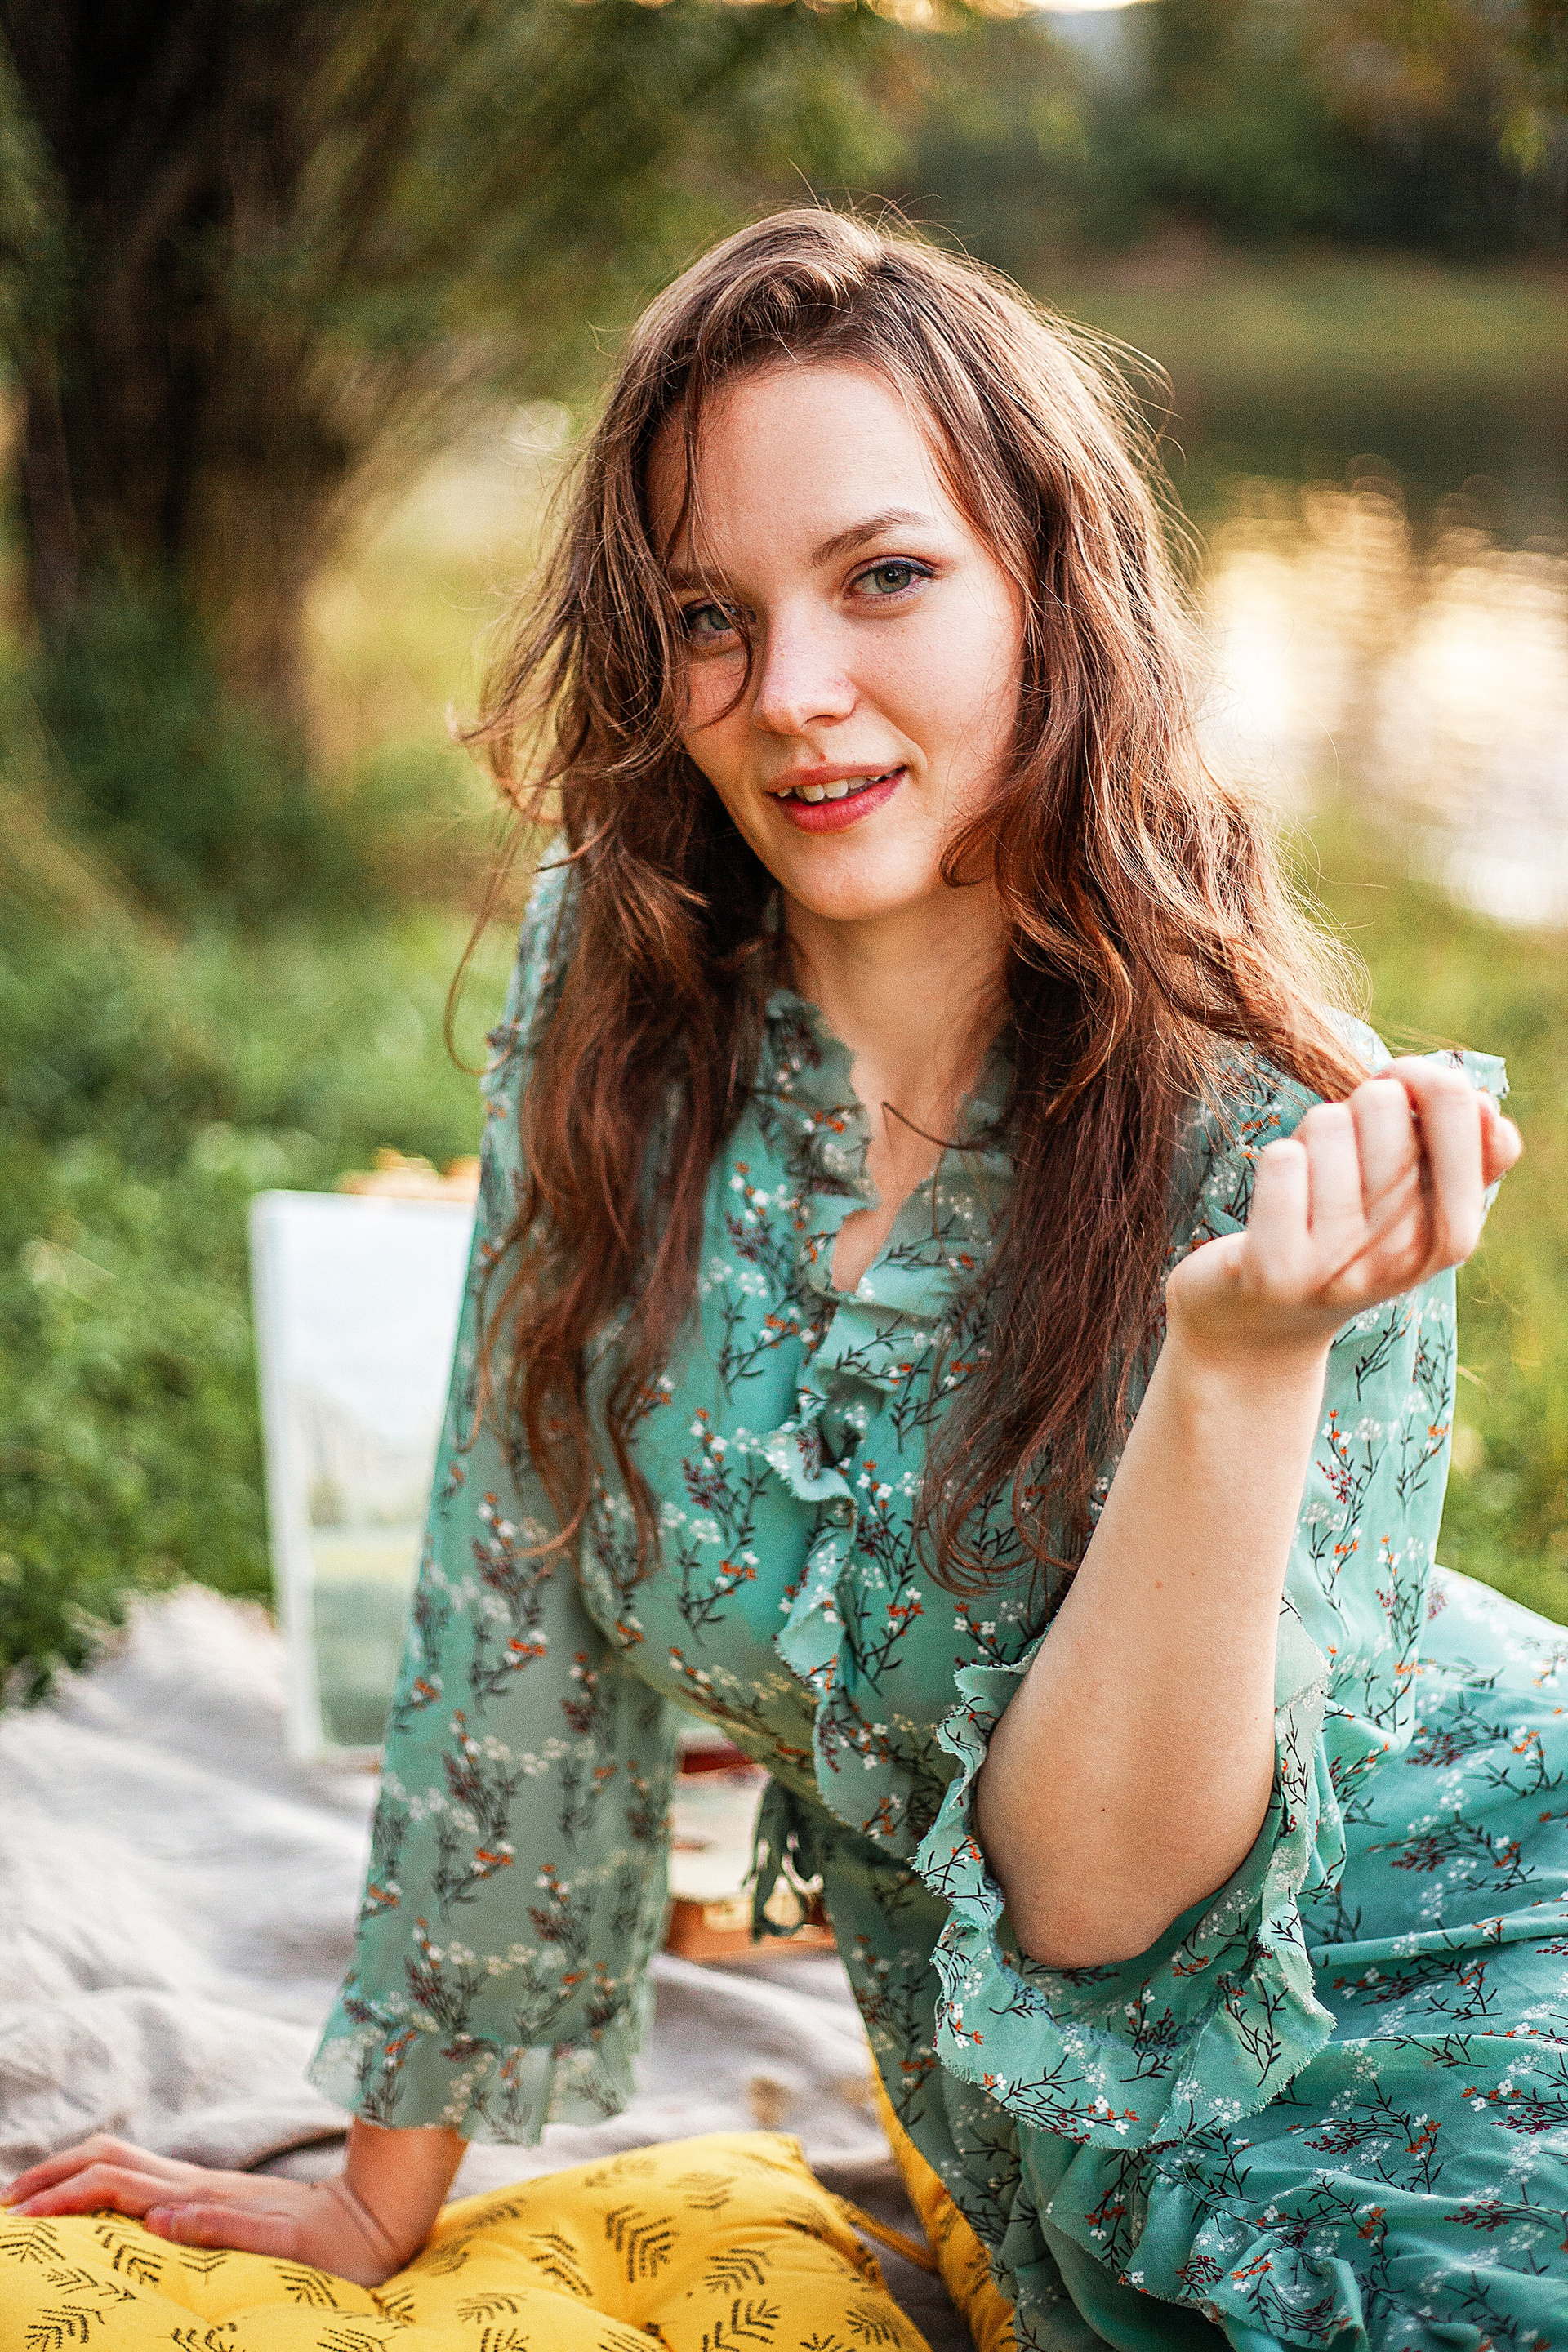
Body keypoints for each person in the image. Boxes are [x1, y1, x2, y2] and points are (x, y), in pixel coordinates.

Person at [7, 210, 1564, 2352]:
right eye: (706, 618)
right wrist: (375, 2196)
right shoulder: (624, 991)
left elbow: (1109, 1901)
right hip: (1059, 2155)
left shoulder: (1290, 1136)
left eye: (885, 576)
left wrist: (1239, 1356)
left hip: (1419, 2000)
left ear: (1053, 587)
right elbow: (513, 1582)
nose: (791, 698)